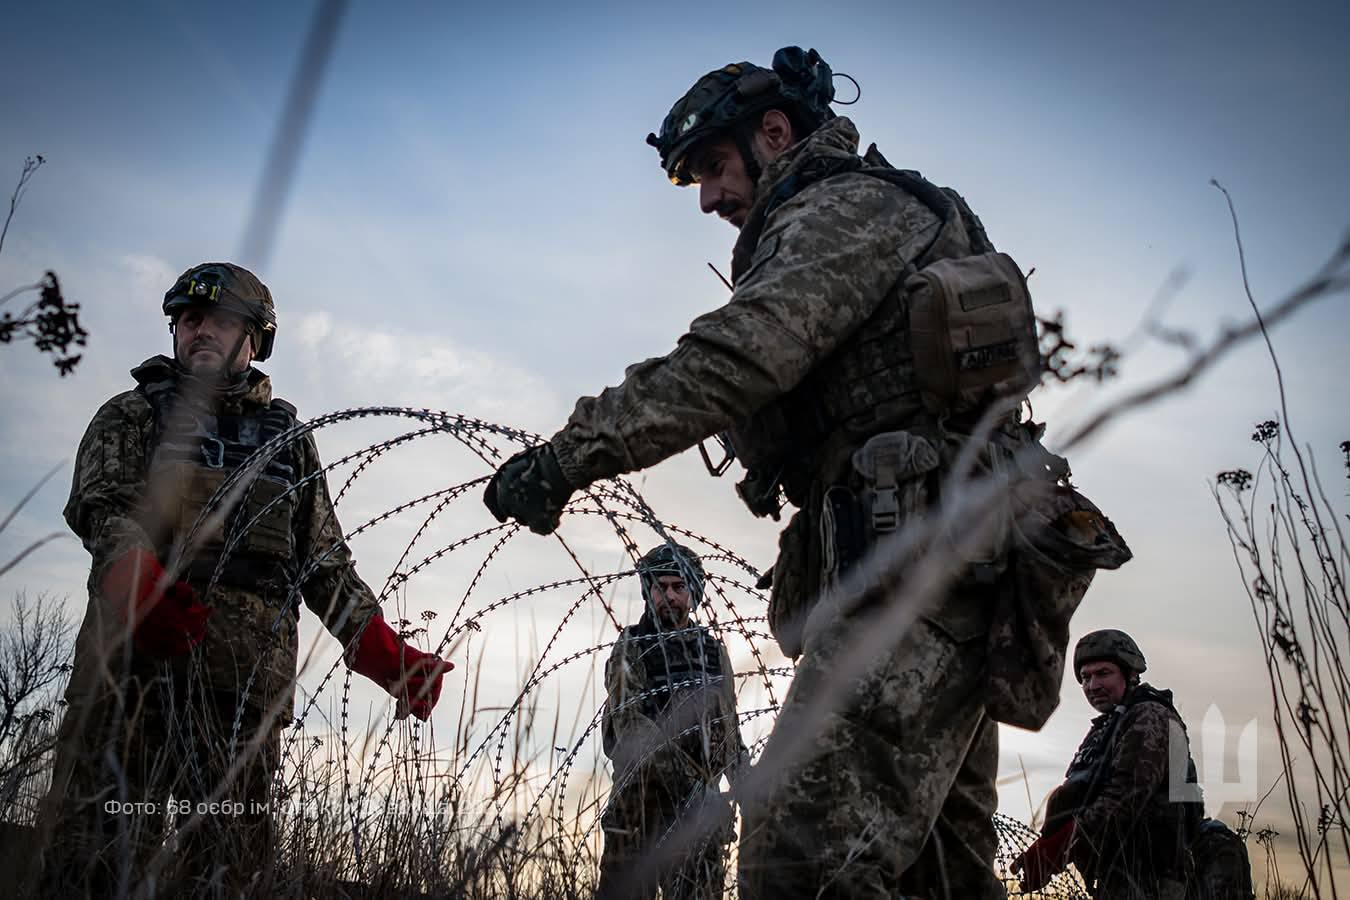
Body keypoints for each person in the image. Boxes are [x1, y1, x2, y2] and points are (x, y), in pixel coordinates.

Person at [484, 46, 1128, 897]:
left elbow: (736, 357)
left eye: (714, 168)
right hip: (933, 567)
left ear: (776, 133)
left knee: (797, 852)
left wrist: (569, 457)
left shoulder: (847, 211)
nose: (709, 199)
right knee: (938, 876)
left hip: (919, 573)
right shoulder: (863, 212)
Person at [39, 262, 452, 896]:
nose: (202, 330)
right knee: (95, 864)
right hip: (128, 686)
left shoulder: (286, 441)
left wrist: (386, 654)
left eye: (223, 320)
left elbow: (323, 565)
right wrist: (137, 587)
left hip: (242, 700)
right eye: (190, 318)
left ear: (254, 339)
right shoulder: (131, 414)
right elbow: (105, 512)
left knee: (227, 873)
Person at [596, 543, 747, 900]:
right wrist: (697, 795)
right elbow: (634, 731)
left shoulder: (712, 652)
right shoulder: (632, 647)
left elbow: (728, 732)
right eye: (660, 587)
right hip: (639, 814)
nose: (669, 596)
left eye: (678, 587)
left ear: (693, 593)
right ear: (647, 592)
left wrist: (751, 792)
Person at [1014, 630, 1201, 900]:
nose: (1093, 685)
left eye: (1103, 673)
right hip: (1118, 875)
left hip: (1152, 879)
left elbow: (1128, 794)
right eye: (1086, 678)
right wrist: (1047, 844)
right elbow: (1079, 793)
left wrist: (1063, 844)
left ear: (1129, 674)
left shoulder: (1149, 716)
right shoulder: (1107, 728)